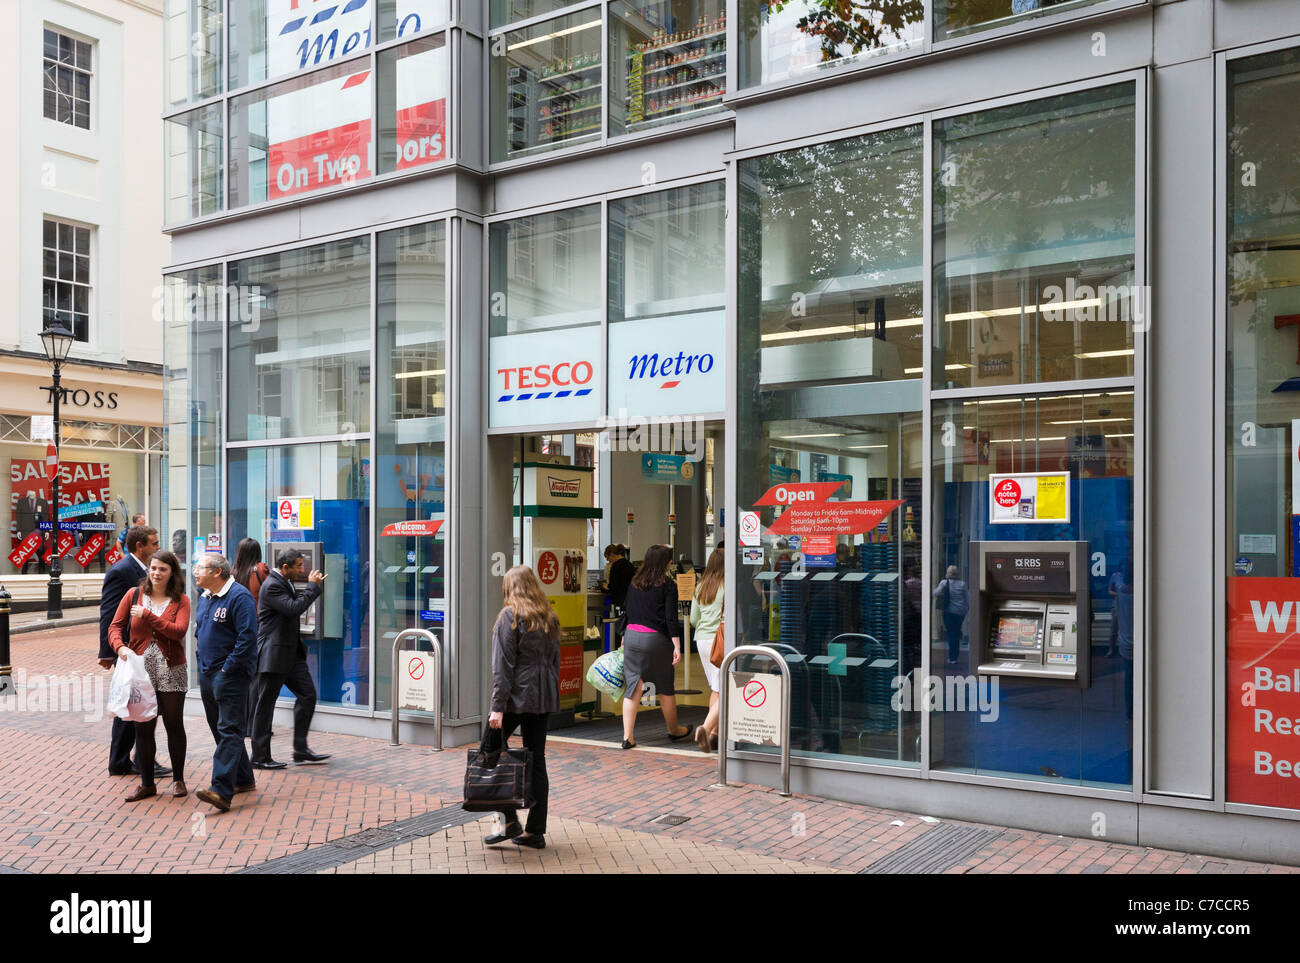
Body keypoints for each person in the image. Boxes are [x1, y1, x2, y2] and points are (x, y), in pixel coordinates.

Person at [484, 565, 561, 851]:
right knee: (536, 760)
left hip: (517, 696)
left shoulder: (510, 617)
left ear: (509, 588)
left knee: (489, 750)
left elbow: (502, 667)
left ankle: (508, 819)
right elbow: (555, 661)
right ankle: (535, 831)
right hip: (542, 697)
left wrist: (497, 707)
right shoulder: (548, 616)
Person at [109, 550, 190, 802]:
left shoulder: (181, 600)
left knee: (174, 724)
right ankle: (146, 783)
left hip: (171, 668)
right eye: (153, 568)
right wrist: (119, 646)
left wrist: (148, 616)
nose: (156, 573)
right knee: (143, 726)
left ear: (172, 573)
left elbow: (178, 632)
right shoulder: (133, 595)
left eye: (162, 569)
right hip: (139, 670)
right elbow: (115, 626)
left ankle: (178, 779)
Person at [98, 525, 170, 778]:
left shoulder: (149, 571)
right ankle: (134, 760)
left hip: (149, 652)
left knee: (137, 705)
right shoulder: (121, 572)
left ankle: (129, 760)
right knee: (137, 705)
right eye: (154, 543)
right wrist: (108, 652)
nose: (158, 547)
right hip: (131, 652)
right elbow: (109, 614)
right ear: (140, 546)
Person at [249, 548, 329, 769]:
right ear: (285, 567)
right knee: (265, 705)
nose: (302, 570)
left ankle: (300, 749)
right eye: (298, 566)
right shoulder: (273, 584)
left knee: (308, 696)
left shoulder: (283, 581)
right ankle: (259, 757)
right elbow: (294, 608)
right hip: (273, 655)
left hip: (291, 654)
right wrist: (313, 587)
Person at [192, 553, 258, 812]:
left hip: (230, 675)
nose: (195, 572)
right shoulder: (205, 596)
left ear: (217, 572)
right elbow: (200, 631)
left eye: (201, 568)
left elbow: (247, 638)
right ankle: (244, 778)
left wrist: (227, 669)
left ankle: (221, 790)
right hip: (208, 672)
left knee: (229, 729)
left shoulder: (239, 597)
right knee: (220, 729)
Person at [620, 544, 693, 749]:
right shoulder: (667, 584)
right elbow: (670, 618)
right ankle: (674, 730)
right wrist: (677, 646)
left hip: (632, 636)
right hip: (655, 638)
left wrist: (624, 636)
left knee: (633, 686)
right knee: (665, 687)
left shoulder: (635, 582)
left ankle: (628, 737)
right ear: (666, 563)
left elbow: (628, 611)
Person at [689, 546, 725, 752]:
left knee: (716, 687)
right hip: (720, 640)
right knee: (725, 689)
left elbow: (694, 619)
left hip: (701, 640)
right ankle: (706, 727)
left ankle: (715, 736)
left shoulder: (700, 586)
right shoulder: (727, 585)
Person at [933, 565, 970, 665]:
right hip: (960, 612)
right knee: (956, 633)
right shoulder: (963, 584)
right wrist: (967, 609)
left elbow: (935, 593)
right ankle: (955, 656)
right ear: (958, 574)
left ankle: (952, 657)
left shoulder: (944, 582)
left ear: (948, 573)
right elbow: (967, 598)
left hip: (949, 611)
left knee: (950, 633)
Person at [232, 538, 271, 604]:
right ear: (258, 552)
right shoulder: (261, 568)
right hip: (257, 611)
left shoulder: (233, 572)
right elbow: (271, 590)